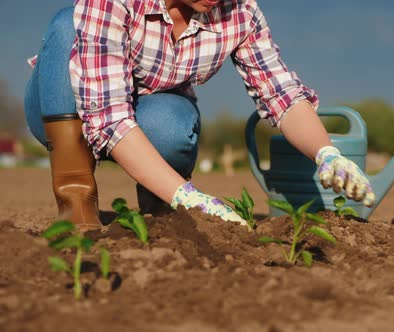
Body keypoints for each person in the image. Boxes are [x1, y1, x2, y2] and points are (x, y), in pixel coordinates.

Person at [24, 0, 375, 230]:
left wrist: (327, 153)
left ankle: (159, 207)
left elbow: (281, 93)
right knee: (66, 23)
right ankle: (76, 202)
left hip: (147, 111)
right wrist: (189, 197)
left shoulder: (240, 12)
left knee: (174, 125)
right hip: (62, 102)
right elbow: (108, 115)